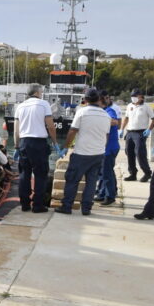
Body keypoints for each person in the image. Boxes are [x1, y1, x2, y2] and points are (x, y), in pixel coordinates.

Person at [55, 88, 111, 216]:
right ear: (98, 99)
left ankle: (67, 206)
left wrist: (65, 146)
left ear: (85, 100)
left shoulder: (82, 112)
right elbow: (106, 136)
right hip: (98, 154)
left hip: (81, 153)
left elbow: (72, 131)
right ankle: (86, 209)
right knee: (91, 182)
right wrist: (101, 148)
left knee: (72, 180)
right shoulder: (106, 115)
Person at [14, 84, 61, 213]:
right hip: (38, 143)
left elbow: (16, 129)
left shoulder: (20, 106)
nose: (42, 93)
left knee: (24, 174)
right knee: (40, 174)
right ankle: (37, 205)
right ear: (37, 92)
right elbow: (51, 126)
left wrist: (17, 146)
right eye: (41, 91)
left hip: (24, 143)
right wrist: (55, 142)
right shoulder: (43, 104)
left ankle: (24, 204)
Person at [120, 88, 154, 182]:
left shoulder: (146, 107)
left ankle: (147, 172)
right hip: (130, 132)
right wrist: (122, 129)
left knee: (140, 154)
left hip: (140, 133)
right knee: (129, 153)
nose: (134, 98)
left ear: (141, 97)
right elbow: (126, 118)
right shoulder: (129, 106)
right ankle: (132, 173)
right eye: (132, 96)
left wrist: (149, 129)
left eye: (136, 96)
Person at [94, 91, 121, 206]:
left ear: (100, 101)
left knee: (107, 173)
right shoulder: (103, 112)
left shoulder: (109, 111)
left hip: (109, 148)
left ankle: (110, 196)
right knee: (102, 172)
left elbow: (115, 122)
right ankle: (102, 193)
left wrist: (101, 119)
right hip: (104, 147)